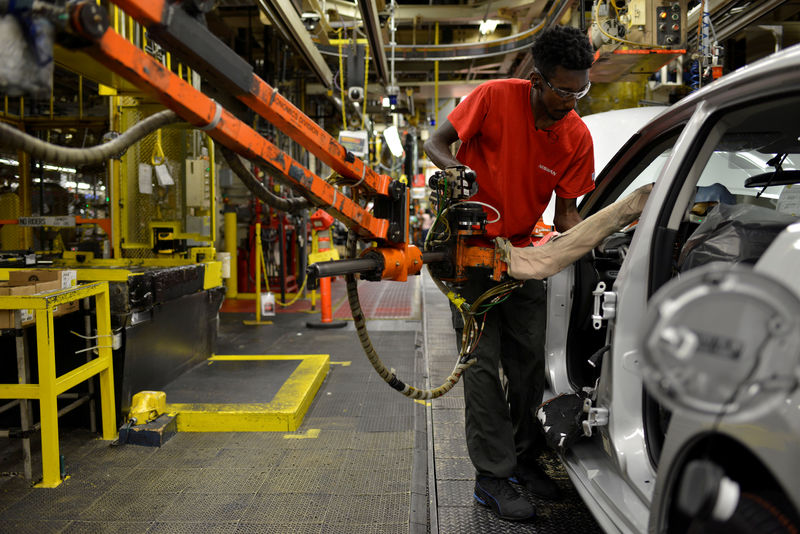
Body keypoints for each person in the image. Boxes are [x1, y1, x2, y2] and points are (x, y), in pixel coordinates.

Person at [422, 25, 596, 522]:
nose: (571, 100)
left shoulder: (576, 136)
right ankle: (493, 476)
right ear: (538, 80)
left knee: (528, 367)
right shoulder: (496, 97)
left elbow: (567, 216)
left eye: (580, 90)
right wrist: (455, 171)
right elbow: (438, 141)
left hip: (523, 257)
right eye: (563, 90)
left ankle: (523, 456)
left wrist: (598, 245)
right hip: (468, 254)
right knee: (480, 366)